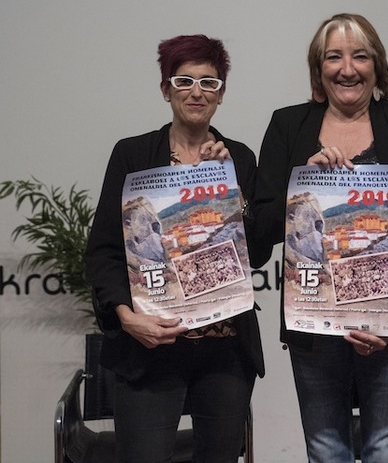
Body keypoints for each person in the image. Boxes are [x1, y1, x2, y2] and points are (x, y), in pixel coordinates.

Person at [254, 13, 388, 462]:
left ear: (377, 66)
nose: (347, 68)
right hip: (313, 326)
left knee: (387, 449)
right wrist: (303, 187)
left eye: (360, 55)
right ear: (319, 68)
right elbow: (258, 228)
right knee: (325, 448)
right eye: (333, 57)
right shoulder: (287, 125)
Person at [85, 34, 266, 463]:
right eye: (184, 81)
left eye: (209, 82)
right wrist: (127, 319)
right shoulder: (132, 155)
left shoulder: (238, 157)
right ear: (166, 89)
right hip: (151, 347)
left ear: (221, 94)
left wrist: (233, 191)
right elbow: (104, 250)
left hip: (224, 351)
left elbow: (256, 254)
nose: (197, 92)